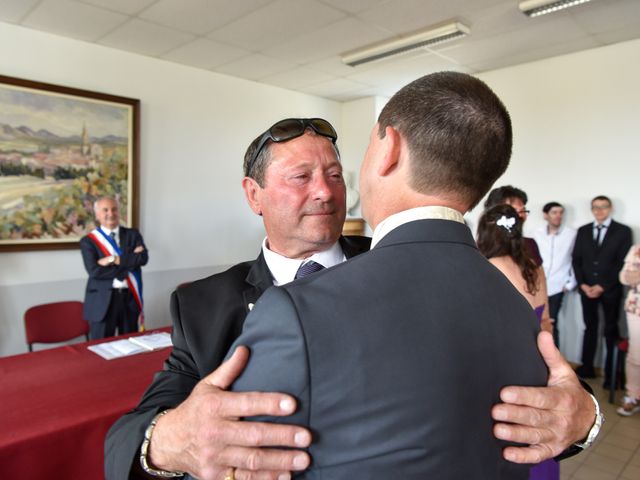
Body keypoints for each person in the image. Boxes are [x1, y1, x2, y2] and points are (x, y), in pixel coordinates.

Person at [106, 112, 599, 479]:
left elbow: (522, 374)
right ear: (253, 195)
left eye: (336, 175)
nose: (325, 192)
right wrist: (169, 442)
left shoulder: (416, 266)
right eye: (301, 177)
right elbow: (131, 432)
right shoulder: (203, 304)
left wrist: (586, 419)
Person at [224, 73, 597, 479]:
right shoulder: (516, 307)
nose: (329, 191)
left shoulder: (298, 308)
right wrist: (592, 417)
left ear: (389, 148)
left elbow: (232, 462)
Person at [478, 204, 557, 479]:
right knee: (537, 432)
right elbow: (546, 322)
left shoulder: (485, 269)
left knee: (507, 440)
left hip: (503, 370)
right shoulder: (534, 269)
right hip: (537, 363)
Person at [572, 195, 633, 387]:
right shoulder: (583, 231)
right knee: (590, 328)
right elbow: (577, 260)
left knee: (610, 330)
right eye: (595, 208)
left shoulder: (623, 231)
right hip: (586, 289)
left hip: (610, 290)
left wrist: (602, 286)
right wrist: (582, 284)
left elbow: (622, 264)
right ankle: (587, 368)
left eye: (603, 207)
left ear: (610, 208)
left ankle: (612, 375)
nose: (599, 211)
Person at [80, 196, 148, 339]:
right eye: (105, 210)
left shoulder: (132, 234)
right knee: (101, 348)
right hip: (102, 302)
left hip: (129, 299)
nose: (110, 213)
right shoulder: (88, 241)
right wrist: (129, 261)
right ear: (97, 215)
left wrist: (113, 259)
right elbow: (95, 271)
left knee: (131, 346)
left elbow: (143, 258)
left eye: (114, 209)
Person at [533, 202, 577, 346]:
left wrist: (570, 283)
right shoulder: (536, 234)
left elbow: (576, 259)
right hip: (537, 286)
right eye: (554, 212)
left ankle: (554, 360)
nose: (558, 216)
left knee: (551, 323)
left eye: (560, 212)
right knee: (535, 322)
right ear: (546, 215)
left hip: (558, 286)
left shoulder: (572, 234)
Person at [485, 185, 543, 266]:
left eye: (523, 210)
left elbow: (539, 277)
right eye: (513, 210)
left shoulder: (530, 245)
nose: (520, 216)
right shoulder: (480, 247)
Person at [617, 244, 640, 416]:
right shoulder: (636, 249)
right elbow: (624, 277)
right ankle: (632, 395)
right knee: (635, 355)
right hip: (636, 309)